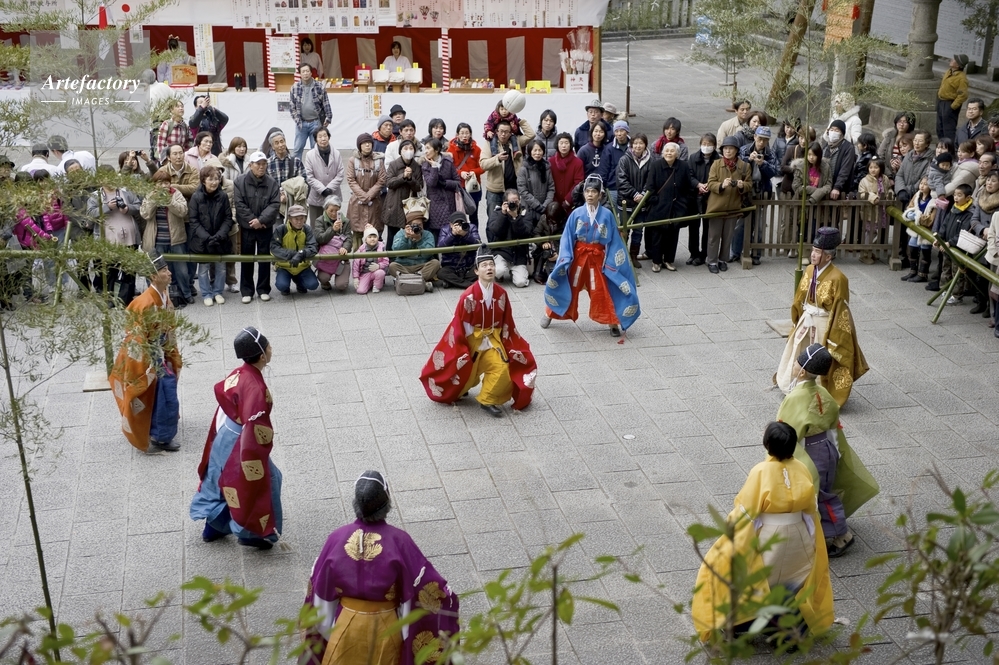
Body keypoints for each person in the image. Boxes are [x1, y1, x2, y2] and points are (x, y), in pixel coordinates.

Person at [691, 421, 834, 641]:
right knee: (793, 580)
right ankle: (792, 629)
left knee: (745, 575)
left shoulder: (760, 471)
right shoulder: (802, 468)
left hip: (769, 536)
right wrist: (813, 541)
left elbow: (747, 511)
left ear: (767, 444)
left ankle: (741, 623)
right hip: (799, 535)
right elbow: (811, 510)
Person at [299, 471, 459, 665]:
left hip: (344, 630)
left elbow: (321, 596)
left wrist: (328, 631)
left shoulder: (336, 539)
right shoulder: (400, 541)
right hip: (386, 629)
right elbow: (423, 588)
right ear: (387, 503)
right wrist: (448, 598)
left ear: (355, 504)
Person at [777, 344, 880, 558]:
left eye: (796, 362)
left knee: (819, 495)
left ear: (802, 371)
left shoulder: (795, 398)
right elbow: (833, 425)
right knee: (824, 488)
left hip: (809, 453)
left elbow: (788, 431)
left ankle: (842, 534)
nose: (793, 364)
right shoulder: (823, 393)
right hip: (828, 448)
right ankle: (818, 531)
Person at [190, 327, 282, 550]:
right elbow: (254, 425)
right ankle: (251, 534)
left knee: (221, 480)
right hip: (242, 443)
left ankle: (213, 527)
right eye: (268, 346)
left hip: (225, 434)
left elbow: (224, 395)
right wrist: (254, 456)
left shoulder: (240, 372)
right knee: (262, 483)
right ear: (262, 355)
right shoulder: (256, 388)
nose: (271, 349)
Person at [421, 243, 537, 419]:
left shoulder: (501, 293)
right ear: (476, 271)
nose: (489, 268)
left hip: (493, 339)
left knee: (502, 368)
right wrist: (462, 348)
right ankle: (463, 388)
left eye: (491, 265)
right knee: (464, 376)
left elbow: (507, 323)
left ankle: (487, 400)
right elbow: (459, 324)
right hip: (470, 341)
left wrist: (509, 344)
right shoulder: (468, 296)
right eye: (484, 265)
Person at [774, 227, 869, 406]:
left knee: (821, 356)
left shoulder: (839, 278)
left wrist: (836, 336)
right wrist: (797, 318)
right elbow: (800, 296)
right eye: (813, 250)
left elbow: (840, 309)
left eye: (818, 252)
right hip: (807, 317)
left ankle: (820, 393)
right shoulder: (810, 270)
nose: (813, 255)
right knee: (798, 350)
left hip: (825, 323)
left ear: (828, 256)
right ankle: (792, 385)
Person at [541, 174, 640, 337]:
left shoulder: (607, 215)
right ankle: (549, 313)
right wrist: (565, 258)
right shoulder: (576, 213)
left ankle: (612, 322)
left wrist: (611, 262)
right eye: (587, 191)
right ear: (583, 193)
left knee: (602, 290)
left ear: (600, 195)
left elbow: (614, 241)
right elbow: (567, 237)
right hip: (578, 257)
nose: (590, 195)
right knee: (568, 286)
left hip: (597, 258)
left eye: (594, 192)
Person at [109, 253, 183, 453]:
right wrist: (151, 363)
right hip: (145, 355)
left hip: (160, 350)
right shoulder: (144, 303)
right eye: (164, 270)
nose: (169, 273)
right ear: (153, 276)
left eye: (167, 269)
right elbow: (136, 338)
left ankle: (157, 426)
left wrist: (169, 351)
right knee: (164, 390)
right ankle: (161, 436)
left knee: (163, 389)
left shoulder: (163, 295)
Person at [87, 170, 143, 306]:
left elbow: (138, 206)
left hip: (129, 238)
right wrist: (107, 207)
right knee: (109, 271)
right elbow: (90, 214)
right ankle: (109, 299)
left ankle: (126, 299)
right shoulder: (95, 196)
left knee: (129, 271)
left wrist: (127, 208)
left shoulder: (126, 192)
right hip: (107, 240)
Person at [141, 170, 194, 307]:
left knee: (182, 270)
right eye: (160, 183)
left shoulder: (176, 194)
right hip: (157, 239)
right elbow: (145, 214)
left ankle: (186, 294)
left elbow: (183, 211)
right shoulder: (150, 195)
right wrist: (154, 200)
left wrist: (169, 201)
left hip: (176, 238)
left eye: (166, 183)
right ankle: (158, 296)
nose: (164, 186)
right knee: (158, 270)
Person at [235, 151, 281, 304]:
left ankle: (263, 289)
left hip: (265, 226)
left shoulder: (272, 182)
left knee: (264, 258)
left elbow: (274, 204)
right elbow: (239, 204)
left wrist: (260, 220)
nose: (261, 167)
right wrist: (253, 221)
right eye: (258, 164)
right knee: (246, 258)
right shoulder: (240, 181)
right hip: (247, 227)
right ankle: (246, 290)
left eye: (264, 164)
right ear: (250, 165)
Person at [644, 142, 697, 273]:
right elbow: (650, 186)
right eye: (666, 151)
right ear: (663, 153)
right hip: (659, 207)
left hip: (677, 207)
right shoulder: (656, 165)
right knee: (657, 235)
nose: (669, 153)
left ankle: (668, 260)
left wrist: (684, 203)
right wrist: (656, 201)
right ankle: (656, 261)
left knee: (673, 235)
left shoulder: (683, 166)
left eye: (672, 151)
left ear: (677, 154)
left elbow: (688, 186)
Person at [705, 136, 751, 274]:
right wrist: (721, 185)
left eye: (730, 148)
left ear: (736, 150)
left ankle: (723, 260)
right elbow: (710, 183)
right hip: (716, 207)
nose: (728, 151)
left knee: (728, 236)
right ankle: (712, 261)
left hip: (733, 207)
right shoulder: (716, 164)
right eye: (725, 148)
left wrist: (742, 186)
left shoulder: (744, 166)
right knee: (714, 236)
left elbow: (749, 184)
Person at [734, 125, 780, 264]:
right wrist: (748, 160)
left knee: (759, 225)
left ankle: (756, 254)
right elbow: (737, 168)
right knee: (740, 224)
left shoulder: (770, 153)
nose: (761, 142)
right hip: (745, 191)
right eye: (760, 139)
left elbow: (774, 172)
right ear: (754, 137)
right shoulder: (744, 149)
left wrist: (763, 163)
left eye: (765, 140)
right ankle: (735, 252)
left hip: (762, 191)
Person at [188, 165, 233, 306]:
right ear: (203, 180)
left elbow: (228, 218)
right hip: (202, 240)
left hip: (220, 239)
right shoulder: (196, 197)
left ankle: (218, 291)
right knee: (203, 269)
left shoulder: (223, 196)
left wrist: (219, 235)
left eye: (216, 179)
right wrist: (206, 237)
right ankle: (206, 293)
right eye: (210, 179)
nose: (214, 182)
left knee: (221, 267)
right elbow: (193, 220)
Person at [617, 133, 658, 267]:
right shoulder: (624, 160)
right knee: (624, 230)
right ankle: (623, 256)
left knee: (638, 230)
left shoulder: (651, 161)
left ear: (645, 145)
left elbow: (651, 180)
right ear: (631, 145)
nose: (638, 146)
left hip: (642, 202)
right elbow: (621, 180)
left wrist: (643, 194)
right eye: (635, 143)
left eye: (641, 143)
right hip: (626, 201)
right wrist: (634, 193)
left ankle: (634, 256)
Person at [480, 118, 536, 213]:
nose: (503, 134)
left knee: (514, 216)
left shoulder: (516, 141)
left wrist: (519, 121)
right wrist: (497, 159)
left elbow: (531, 135)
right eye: (501, 131)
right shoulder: (489, 143)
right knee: (494, 218)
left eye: (506, 132)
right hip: (495, 191)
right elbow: (483, 164)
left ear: (510, 133)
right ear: (496, 131)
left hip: (513, 189)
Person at [345, 133, 386, 250]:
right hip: (357, 203)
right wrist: (363, 196)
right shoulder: (353, 160)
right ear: (359, 145)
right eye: (364, 143)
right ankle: (358, 259)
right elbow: (351, 179)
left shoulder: (378, 161)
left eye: (369, 143)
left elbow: (382, 179)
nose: (367, 145)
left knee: (374, 233)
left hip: (374, 202)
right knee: (357, 235)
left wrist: (369, 195)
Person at [486, 189, 533, 287]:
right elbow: (495, 231)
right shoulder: (497, 213)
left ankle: (514, 272)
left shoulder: (525, 214)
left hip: (518, 254)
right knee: (498, 271)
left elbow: (525, 233)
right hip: (501, 251)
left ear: (520, 201)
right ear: (505, 202)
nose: (514, 204)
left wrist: (516, 218)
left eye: (516, 202)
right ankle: (499, 276)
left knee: (521, 282)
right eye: (511, 202)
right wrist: (503, 215)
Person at [383, 139, 424, 251]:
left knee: (410, 234)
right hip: (394, 204)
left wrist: (410, 178)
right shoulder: (393, 165)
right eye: (405, 148)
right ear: (400, 151)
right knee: (392, 235)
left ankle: (406, 258)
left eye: (411, 148)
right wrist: (403, 176)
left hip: (410, 206)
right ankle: (390, 258)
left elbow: (419, 186)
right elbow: (389, 183)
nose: (408, 151)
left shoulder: (416, 166)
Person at [270, 204, 319, 296]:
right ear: (289, 219)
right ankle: (285, 287)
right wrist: (292, 254)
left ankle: (300, 283)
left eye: (302, 218)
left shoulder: (307, 229)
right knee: (282, 285)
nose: (299, 222)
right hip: (284, 266)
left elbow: (313, 247)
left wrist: (301, 254)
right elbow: (274, 248)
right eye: (296, 219)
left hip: (303, 266)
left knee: (313, 285)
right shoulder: (281, 229)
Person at [289, 63, 333, 161]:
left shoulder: (319, 86)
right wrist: (297, 120)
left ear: (311, 73)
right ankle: (295, 168)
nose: (305, 73)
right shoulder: (294, 87)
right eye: (303, 71)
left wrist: (328, 118)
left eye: (307, 71)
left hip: (316, 122)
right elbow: (292, 107)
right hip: (301, 123)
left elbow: (326, 103)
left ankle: (316, 168)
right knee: (297, 149)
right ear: (300, 74)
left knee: (316, 148)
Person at [688, 133, 719, 266]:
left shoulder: (718, 160)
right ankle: (693, 253)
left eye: (709, 144)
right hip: (694, 197)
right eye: (704, 144)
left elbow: (719, 177)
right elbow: (689, 175)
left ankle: (704, 254)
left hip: (711, 198)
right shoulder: (693, 158)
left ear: (714, 146)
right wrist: (698, 185)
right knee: (693, 227)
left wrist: (708, 185)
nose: (706, 147)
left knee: (708, 227)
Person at [422, 138, 460, 244]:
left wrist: (445, 183)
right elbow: (431, 183)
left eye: (428, 148)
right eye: (425, 148)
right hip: (435, 203)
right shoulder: (425, 165)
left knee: (451, 233)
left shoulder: (448, 162)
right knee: (435, 234)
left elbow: (457, 182)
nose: (426, 151)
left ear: (437, 149)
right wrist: (434, 166)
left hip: (449, 202)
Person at [303, 126, 345, 223]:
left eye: (325, 136)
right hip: (316, 197)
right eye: (320, 136)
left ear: (329, 137)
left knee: (335, 225)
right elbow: (309, 176)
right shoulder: (310, 155)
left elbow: (340, 173)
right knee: (316, 225)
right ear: (315, 139)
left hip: (334, 195)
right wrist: (322, 189)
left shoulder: (336, 153)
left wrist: (330, 188)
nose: (323, 139)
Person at [389, 213, 440, 291]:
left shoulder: (428, 234)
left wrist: (419, 240)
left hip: (422, 265)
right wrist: (405, 238)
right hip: (404, 265)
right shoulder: (401, 233)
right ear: (409, 225)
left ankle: (406, 282)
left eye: (420, 225)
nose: (418, 227)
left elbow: (429, 254)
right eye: (415, 225)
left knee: (435, 263)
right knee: (392, 266)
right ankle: (421, 283)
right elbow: (396, 251)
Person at [901, 176, 936, 283]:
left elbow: (930, 220)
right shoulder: (917, 195)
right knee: (912, 246)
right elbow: (910, 207)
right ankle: (913, 271)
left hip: (927, 230)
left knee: (925, 250)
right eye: (921, 183)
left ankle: (923, 274)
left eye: (926, 184)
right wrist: (911, 214)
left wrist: (917, 216)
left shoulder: (934, 200)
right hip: (916, 229)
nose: (922, 186)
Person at [312, 196, 352, 292]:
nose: (334, 213)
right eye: (331, 210)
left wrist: (345, 248)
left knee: (341, 285)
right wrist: (333, 230)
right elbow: (320, 239)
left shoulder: (345, 221)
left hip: (340, 256)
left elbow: (349, 238)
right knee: (323, 278)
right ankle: (325, 282)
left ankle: (342, 274)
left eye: (336, 210)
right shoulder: (319, 220)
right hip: (326, 256)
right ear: (325, 209)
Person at [449, 123, 484, 219]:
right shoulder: (451, 149)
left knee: (474, 215)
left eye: (467, 133)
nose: (464, 136)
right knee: (459, 214)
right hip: (459, 186)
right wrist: (461, 173)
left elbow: (483, 167)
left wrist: (474, 172)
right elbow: (449, 168)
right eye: (462, 133)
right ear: (457, 135)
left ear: (470, 134)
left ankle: (474, 229)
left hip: (473, 186)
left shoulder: (477, 149)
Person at [518, 139, 555, 222]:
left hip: (544, 209)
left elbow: (551, 188)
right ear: (530, 152)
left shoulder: (547, 168)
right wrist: (537, 205)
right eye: (535, 150)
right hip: (528, 209)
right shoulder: (524, 169)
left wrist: (545, 205)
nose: (537, 153)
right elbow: (522, 190)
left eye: (540, 150)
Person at [549, 132, 585, 214]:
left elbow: (578, 182)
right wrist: (553, 200)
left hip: (571, 202)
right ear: (557, 145)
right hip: (554, 201)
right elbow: (549, 183)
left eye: (566, 143)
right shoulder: (551, 161)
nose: (564, 146)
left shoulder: (578, 162)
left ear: (570, 145)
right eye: (561, 143)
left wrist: (568, 200)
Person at [937, 54, 970, 142]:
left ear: (958, 65)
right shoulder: (949, 71)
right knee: (940, 127)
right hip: (941, 101)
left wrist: (953, 106)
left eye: (954, 60)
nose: (951, 60)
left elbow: (963, 95)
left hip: (950, 103)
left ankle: (950, 147)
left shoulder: (961, 78)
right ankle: (942, 146)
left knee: (948, 129)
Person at [823, 119, 857, 201]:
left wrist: (837, 187)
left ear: (842, 133)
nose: (833, 132)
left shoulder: (848, 147)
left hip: (840, 189)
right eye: (831, 130)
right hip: (825, 187)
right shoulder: (826, 146)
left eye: (837, 130)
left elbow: (845, 169)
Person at [878, 111, 915, 180]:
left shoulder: (913, 139)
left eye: (905, 122)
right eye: (899, 121)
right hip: (887, 174)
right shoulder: (889, 136)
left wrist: (901, 167)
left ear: (910, 124)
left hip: (904, 176)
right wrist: (889, 175)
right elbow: (880, 155)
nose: (901, 124)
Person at [352, 225, 389, 294]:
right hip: (365, 272)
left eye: (375, 237)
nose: (372, 239)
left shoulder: (381, 247)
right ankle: (370, 283)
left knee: (380, 273)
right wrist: (355, 277)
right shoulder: (361, 249)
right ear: (365, 239)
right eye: (370, 237)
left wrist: (379, 266)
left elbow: (386, 261)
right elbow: (356, 265)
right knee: (361, 291)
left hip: (377, 271)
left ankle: (377, 286)